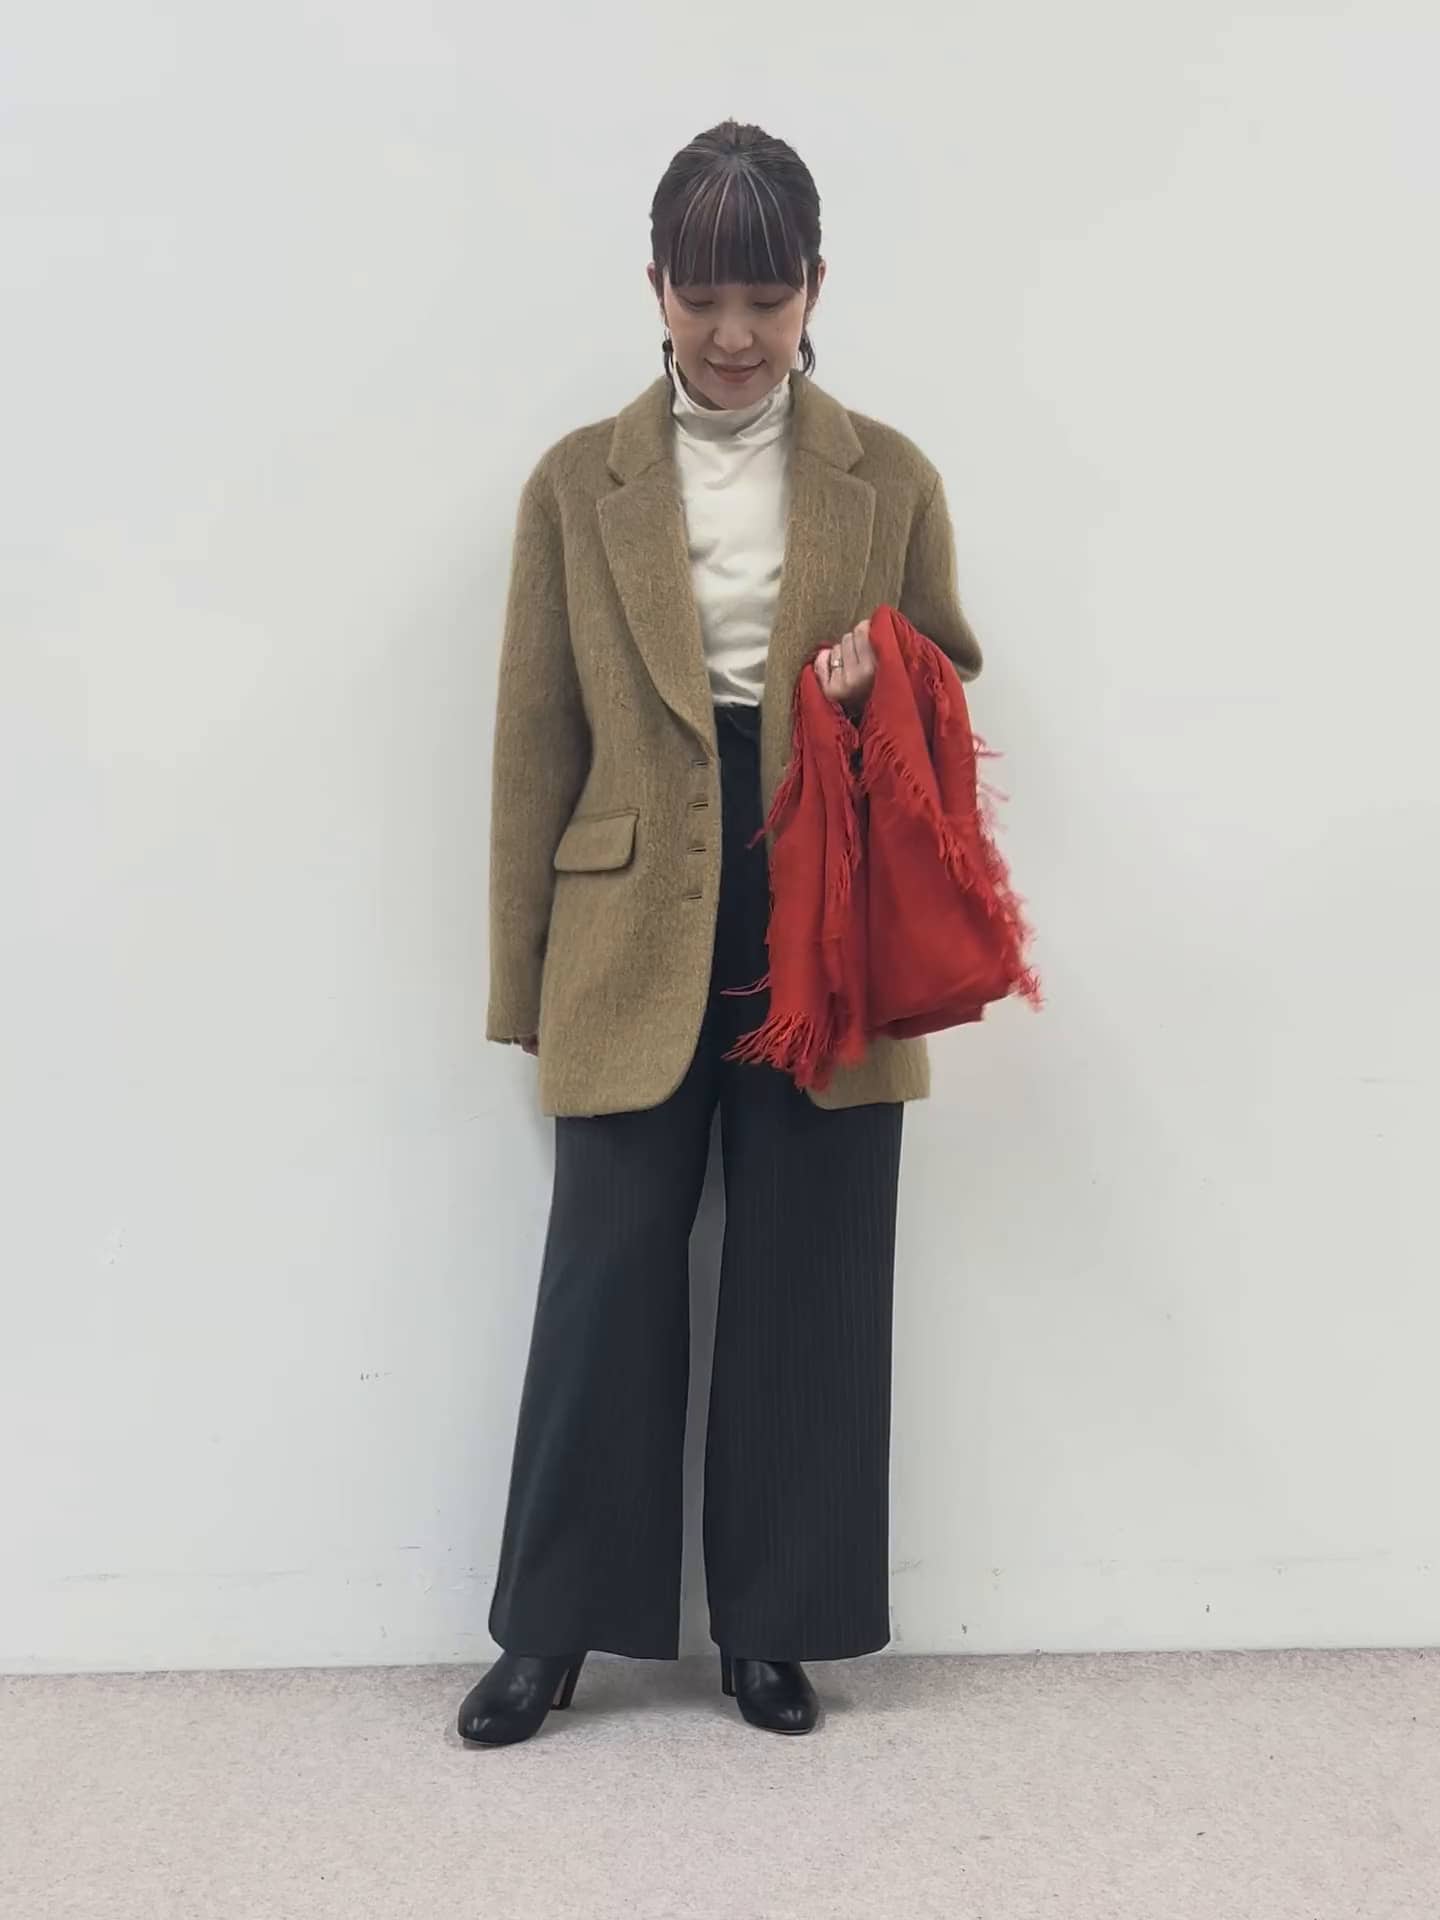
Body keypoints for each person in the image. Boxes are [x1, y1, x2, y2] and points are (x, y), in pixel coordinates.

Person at [459, 119, 983, 1745]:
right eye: (704, 300)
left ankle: (777, 1629)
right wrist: (519, 976)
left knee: (811, 1260)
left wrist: (878, 675)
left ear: (816, 286)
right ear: (656, 289)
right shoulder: (579, 481)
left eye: (766, 297)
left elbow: (951, 677)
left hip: (827, 894)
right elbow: (534, 734)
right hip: (631, 910)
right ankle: (554, 1628)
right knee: (608, 1264)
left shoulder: (889, 474)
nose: (736, 334)